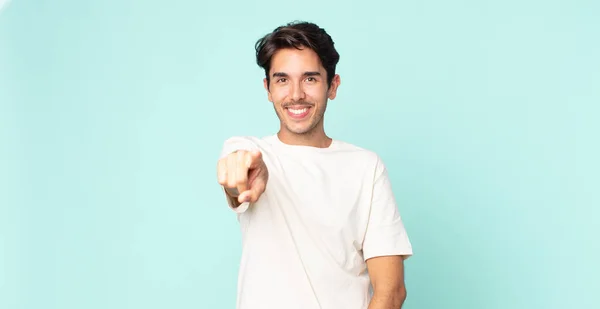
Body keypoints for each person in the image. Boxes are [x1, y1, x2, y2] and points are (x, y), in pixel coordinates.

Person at [216, 21, 413, 309]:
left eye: (310, 79)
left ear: (332, 86)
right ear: (268, 88)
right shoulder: (250, 152)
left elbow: (391, 291)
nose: (296, 94)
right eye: (282, 80)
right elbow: (237, 178)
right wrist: (242, 180)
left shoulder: (366, 168)